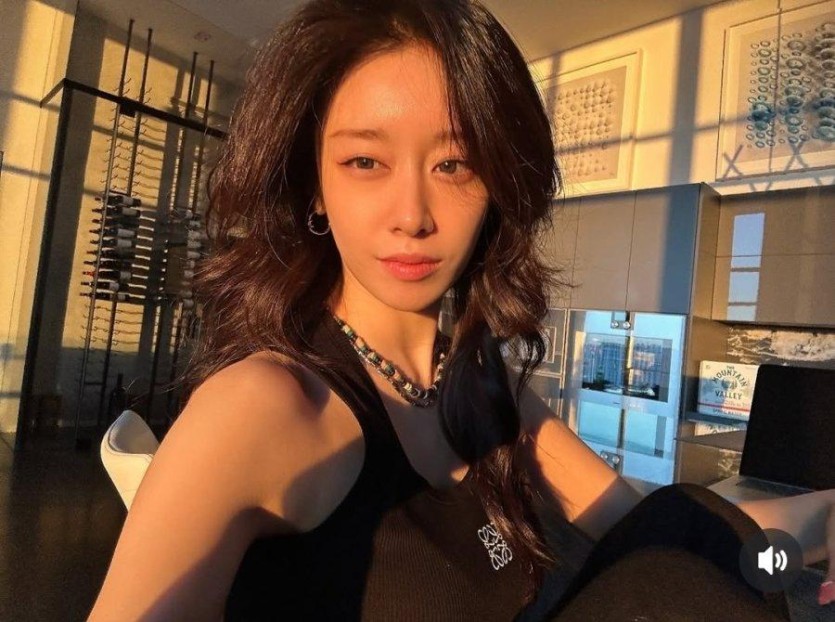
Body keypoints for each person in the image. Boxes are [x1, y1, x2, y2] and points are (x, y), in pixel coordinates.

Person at [89, 0, 835, 620]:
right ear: (313, 186)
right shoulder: (265, 407)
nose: (412, 215)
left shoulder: (480, 383)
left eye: (454, 164)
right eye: (364, 162)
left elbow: (654, 534)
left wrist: (817, 528)